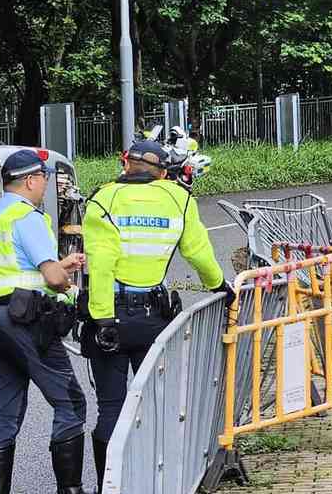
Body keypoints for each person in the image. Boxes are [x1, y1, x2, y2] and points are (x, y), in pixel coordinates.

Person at [80, 140, 235, 493]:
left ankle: (110, 486)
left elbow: (101, 263)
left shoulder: (103, 199)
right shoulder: (179, 199)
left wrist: (102, 319)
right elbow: (198, 253)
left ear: (125, 164)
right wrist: (220, 287)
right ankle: (156, 481)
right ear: (164, 172)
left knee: (111, 408)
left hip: (111, 320)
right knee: (156, 404)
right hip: (154, 318)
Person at [0, 149, 90, 494]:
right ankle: (70, 490)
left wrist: (60, 265)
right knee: (71, 402)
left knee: (6, 411)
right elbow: (52, 279)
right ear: (30, 180)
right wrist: (69, 286)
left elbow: (14, 270)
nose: (45, 186)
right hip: (27, 320)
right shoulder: (28, 217)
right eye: (43, 179)